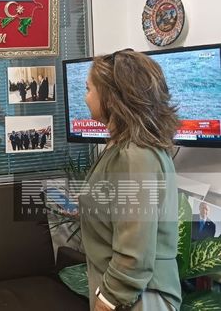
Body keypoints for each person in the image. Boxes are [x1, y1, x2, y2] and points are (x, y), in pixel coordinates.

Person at [79, 49, 181, 311]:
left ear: (111, 97)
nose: (85, 97)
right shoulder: (124, 147)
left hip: (139, 298)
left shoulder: (136, 156)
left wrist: (107, 300)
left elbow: (134, 253)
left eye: (89, 89)